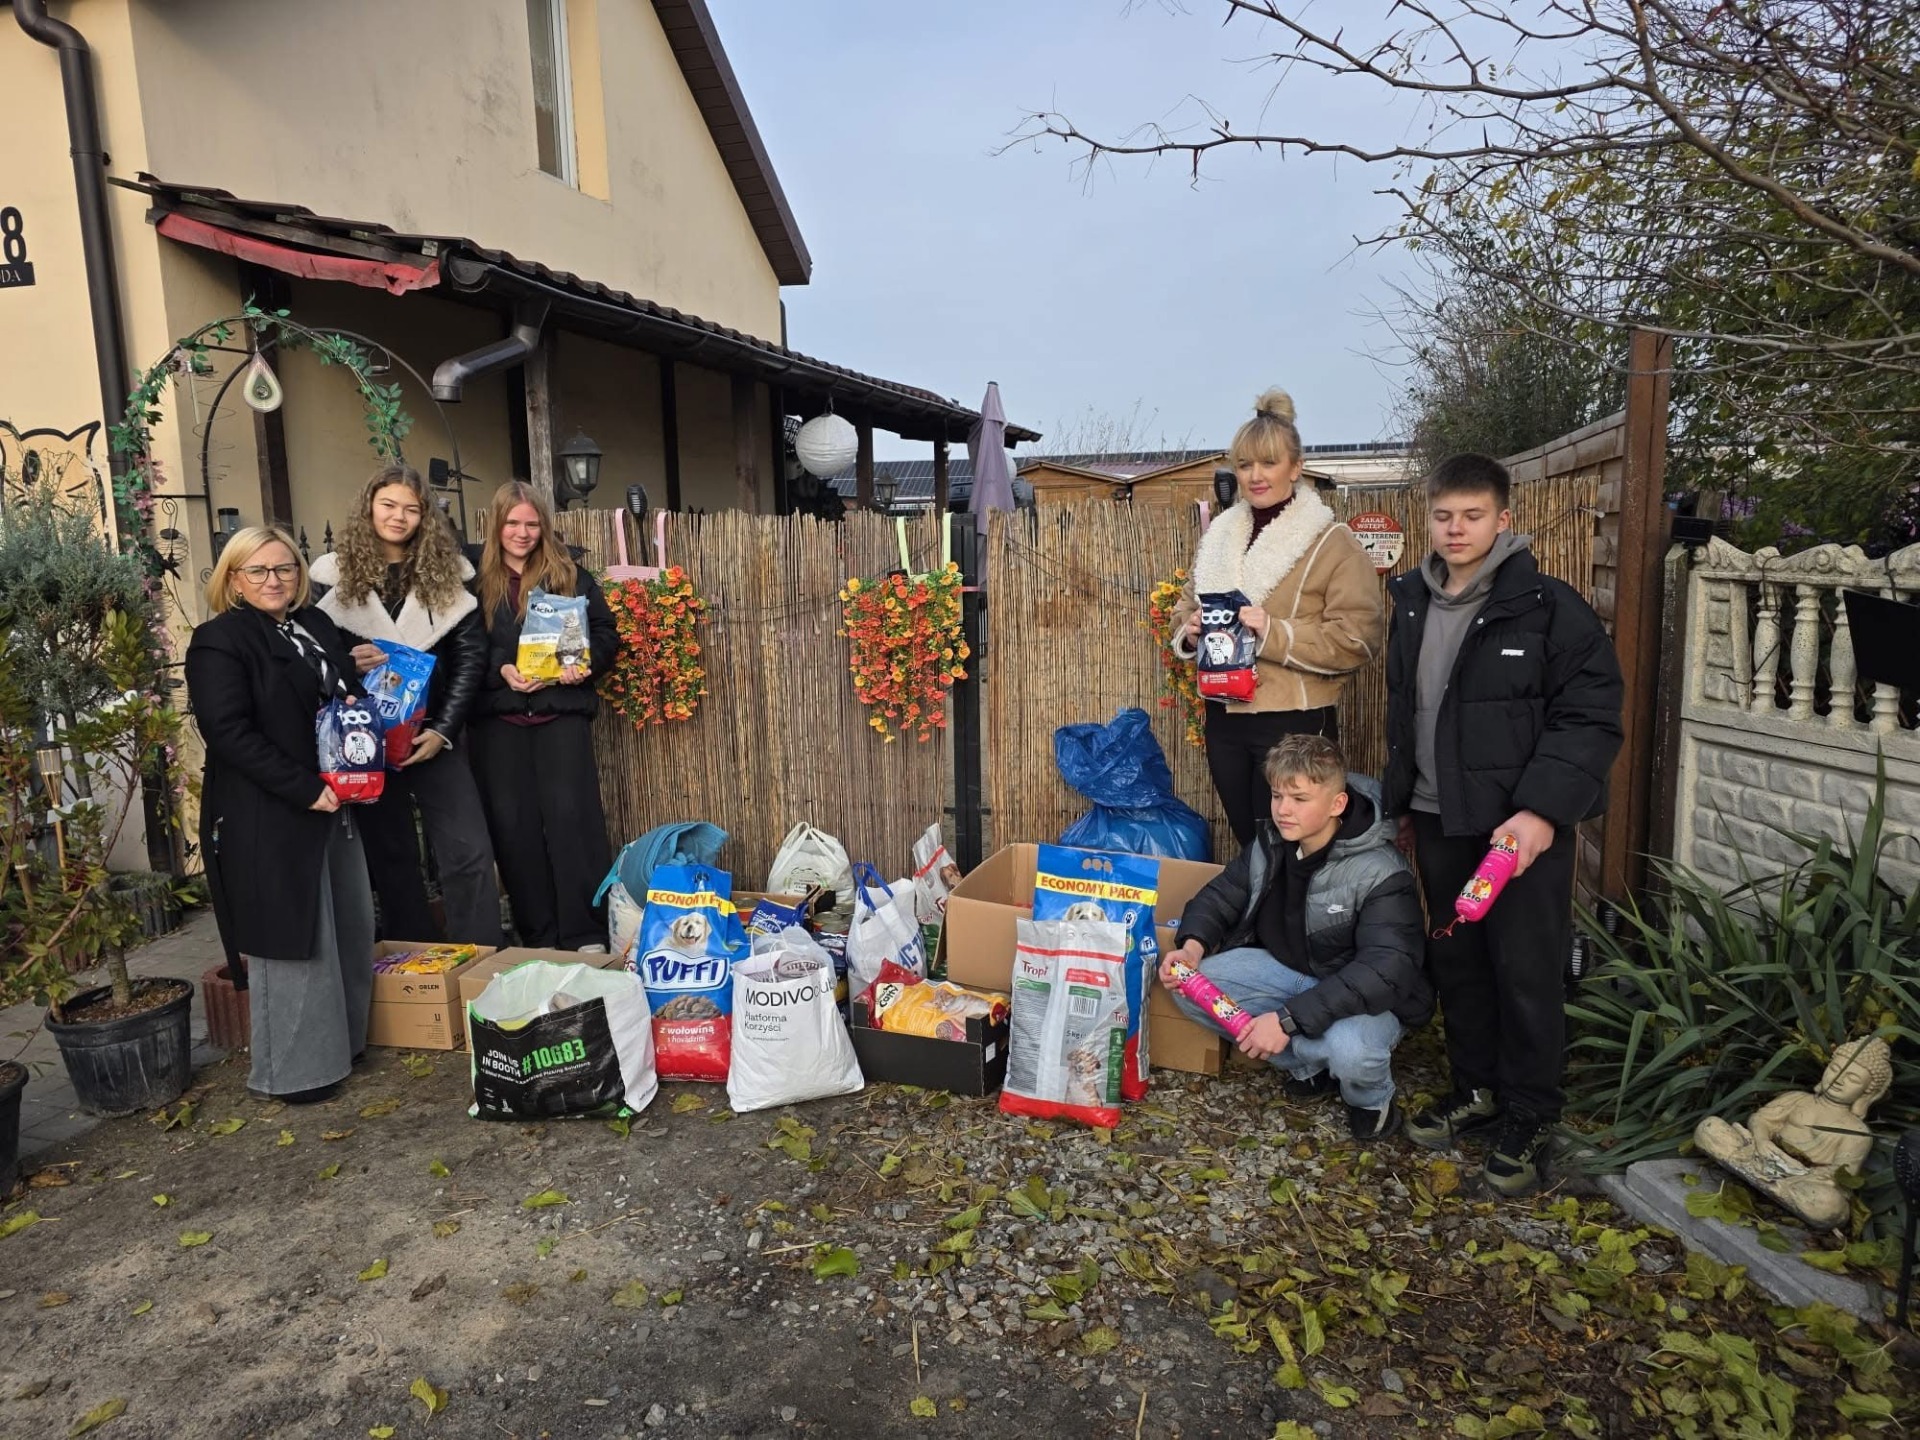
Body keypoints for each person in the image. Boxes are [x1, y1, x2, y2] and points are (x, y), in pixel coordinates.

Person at [1382, 452, 1624, 1196]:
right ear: (1429, 518)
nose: (1456, 529)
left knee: (1524, 968)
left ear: (1504, 519)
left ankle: (1530, 1111)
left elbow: (1589, 715)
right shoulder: (1414, 601)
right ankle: (1477, 1087)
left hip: (1516, 833)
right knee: (1460, 963)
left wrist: (1544, 811)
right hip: (1438, 815)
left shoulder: (1549, 609)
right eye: (1444, 516)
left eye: (1473, 515)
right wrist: (1401, 804)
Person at [185, 526, 373, 1103]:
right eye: (259, 571)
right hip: (274, 808)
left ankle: (344, 1045)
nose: (275, 580)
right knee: (294, 938)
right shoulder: (219, 640)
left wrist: (354, 665)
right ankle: (298, 1073)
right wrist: (302, 788)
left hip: (335, 799)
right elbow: (227, 732)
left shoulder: (312, 626)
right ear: (234, 579)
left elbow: (327, 688)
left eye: (286, 569)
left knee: (348, 922)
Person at [1162, 733, 1430, 1138]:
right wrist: (1192, 947)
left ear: (1337, 804)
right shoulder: (1271, 840)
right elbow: (1220, 896)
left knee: (1351, 1051)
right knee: (1189, 987)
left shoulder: (1380, 869)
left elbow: (1385, 970)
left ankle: (1371, 1100)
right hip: (1294, 972)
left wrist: (1285, 1022)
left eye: (1299, 799)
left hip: (1371, 998)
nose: (1283, 811)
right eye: (1277, 796)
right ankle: (1307, 1067)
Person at [1171, 390, 1383, 845]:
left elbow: (1358, 638)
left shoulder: (1332, 543)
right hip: (1224, 715)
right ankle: (1259, 918)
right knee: (1250, 844)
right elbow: (1188, 603)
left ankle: (1294, 919)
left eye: (1268, 463)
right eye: (1245, 465)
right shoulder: (1222, 535)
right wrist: (1189, 632)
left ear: (1296, 466)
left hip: (1294, 719)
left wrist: (1272, 631)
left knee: (1294, 847)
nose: (1255, 475)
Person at [311, 464, 502, 946]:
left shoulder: (451, 575)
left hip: (433, 735)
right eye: (389, 505)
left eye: (411, 509)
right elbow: (315, 655)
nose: (399, 517)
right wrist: (346, 662)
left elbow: (469, 657)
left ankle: (479, 956)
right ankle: (411, 963)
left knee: (469, 853)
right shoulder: (329, 578)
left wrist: (442, 729)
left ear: (425, 518)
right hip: (366, 739)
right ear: (370, 507)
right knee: (392, 858)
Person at [469, 480, 618, 951]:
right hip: (500, 724)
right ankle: (537, 933)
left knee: (574, 826)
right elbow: (463, 647)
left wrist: (584, 664)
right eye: (513, 522)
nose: (522, 532)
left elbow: (606, 635)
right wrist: (501, 670)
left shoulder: (571, 576)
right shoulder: (471, 580)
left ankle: (585, 932)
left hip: (560, 718)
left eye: (532, 523)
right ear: (496, 524)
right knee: (515, 833)